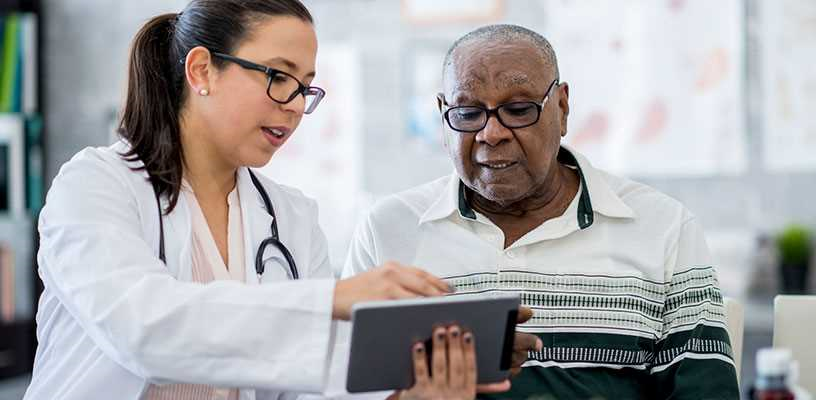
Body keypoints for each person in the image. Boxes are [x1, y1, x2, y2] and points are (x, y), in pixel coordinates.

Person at [25, 1, 494, 399]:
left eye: (305, 86)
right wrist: (331, 298)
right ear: (202, 70)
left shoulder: (291, 218)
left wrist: (409, 386)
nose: (293, 104)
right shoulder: (95, 185)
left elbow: (307, 382)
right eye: (277, 76)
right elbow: (143, 329)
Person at [343, 24, 740, 399]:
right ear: (442, 115)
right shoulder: (388, 230)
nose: (490, 133)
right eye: (467, 114)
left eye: (518, 109)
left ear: (562, 108)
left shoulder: (663, 228)